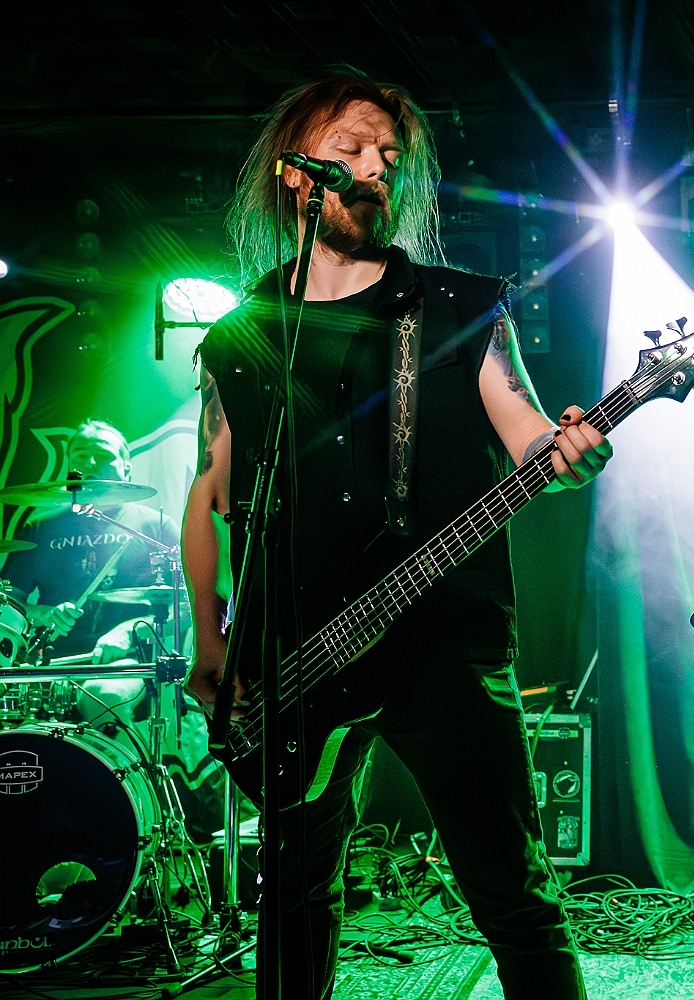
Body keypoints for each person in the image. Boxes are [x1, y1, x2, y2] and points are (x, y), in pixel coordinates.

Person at [184, 73, 611, 999]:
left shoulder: (459, 307)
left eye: (389, 155)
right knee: (293, 891)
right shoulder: (243, 333)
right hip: (291, 649)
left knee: (511, 889)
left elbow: (528, 432)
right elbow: (210, 496)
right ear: (297, 172)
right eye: (350, 149)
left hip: (442, 641)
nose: (375, 167)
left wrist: (569, 451)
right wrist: (212, 642)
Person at [3, 420, 178, 663]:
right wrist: (45, 614)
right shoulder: (40, 527)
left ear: (127, 469)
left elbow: (190, 608)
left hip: (129, 661)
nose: (91, 463)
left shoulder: (156, 527)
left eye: (103, 455)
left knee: (107, 686)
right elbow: (9, 602)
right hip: (49, 661)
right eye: (80, 456)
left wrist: (129, 633)